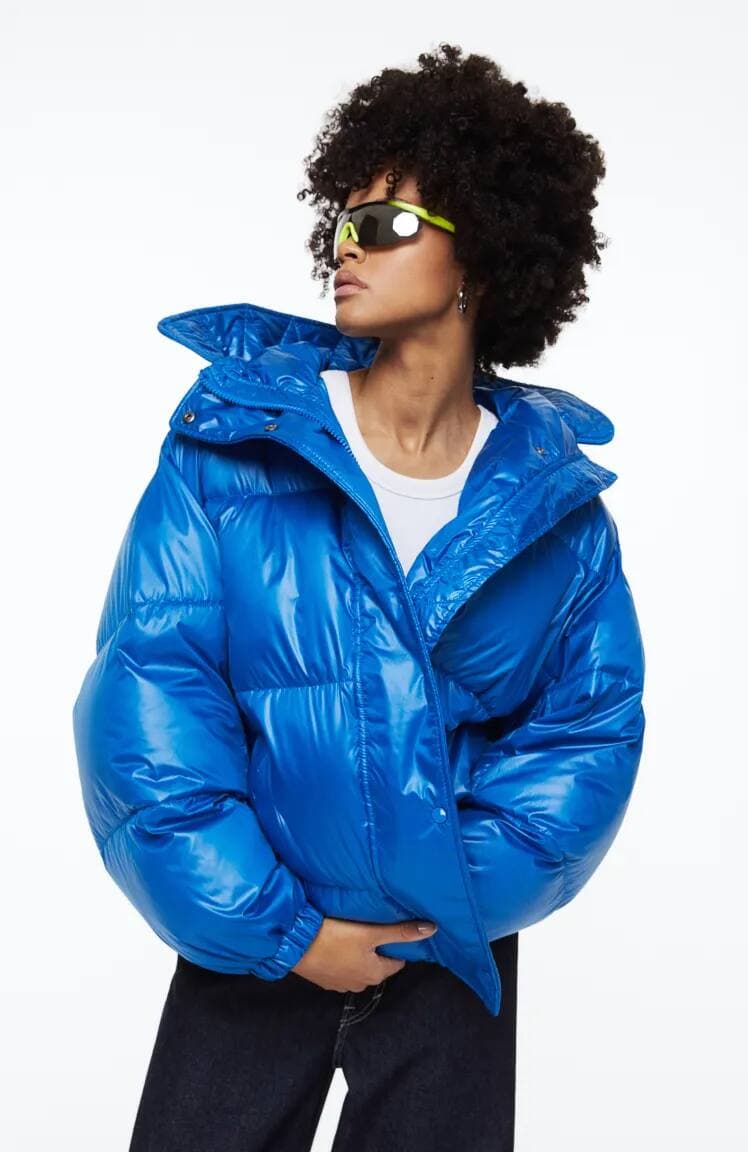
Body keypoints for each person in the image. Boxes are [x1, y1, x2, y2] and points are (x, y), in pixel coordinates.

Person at [72, 43, 645, 1152]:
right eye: (342, 219)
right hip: (253, 949)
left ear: (480, 252)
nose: (347, 244)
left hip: (447, 955)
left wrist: (435, 900)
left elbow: (586, 738)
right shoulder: (231, 449)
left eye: (386, 223)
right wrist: (288, 932)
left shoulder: (558, 515)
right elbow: (150, 698)